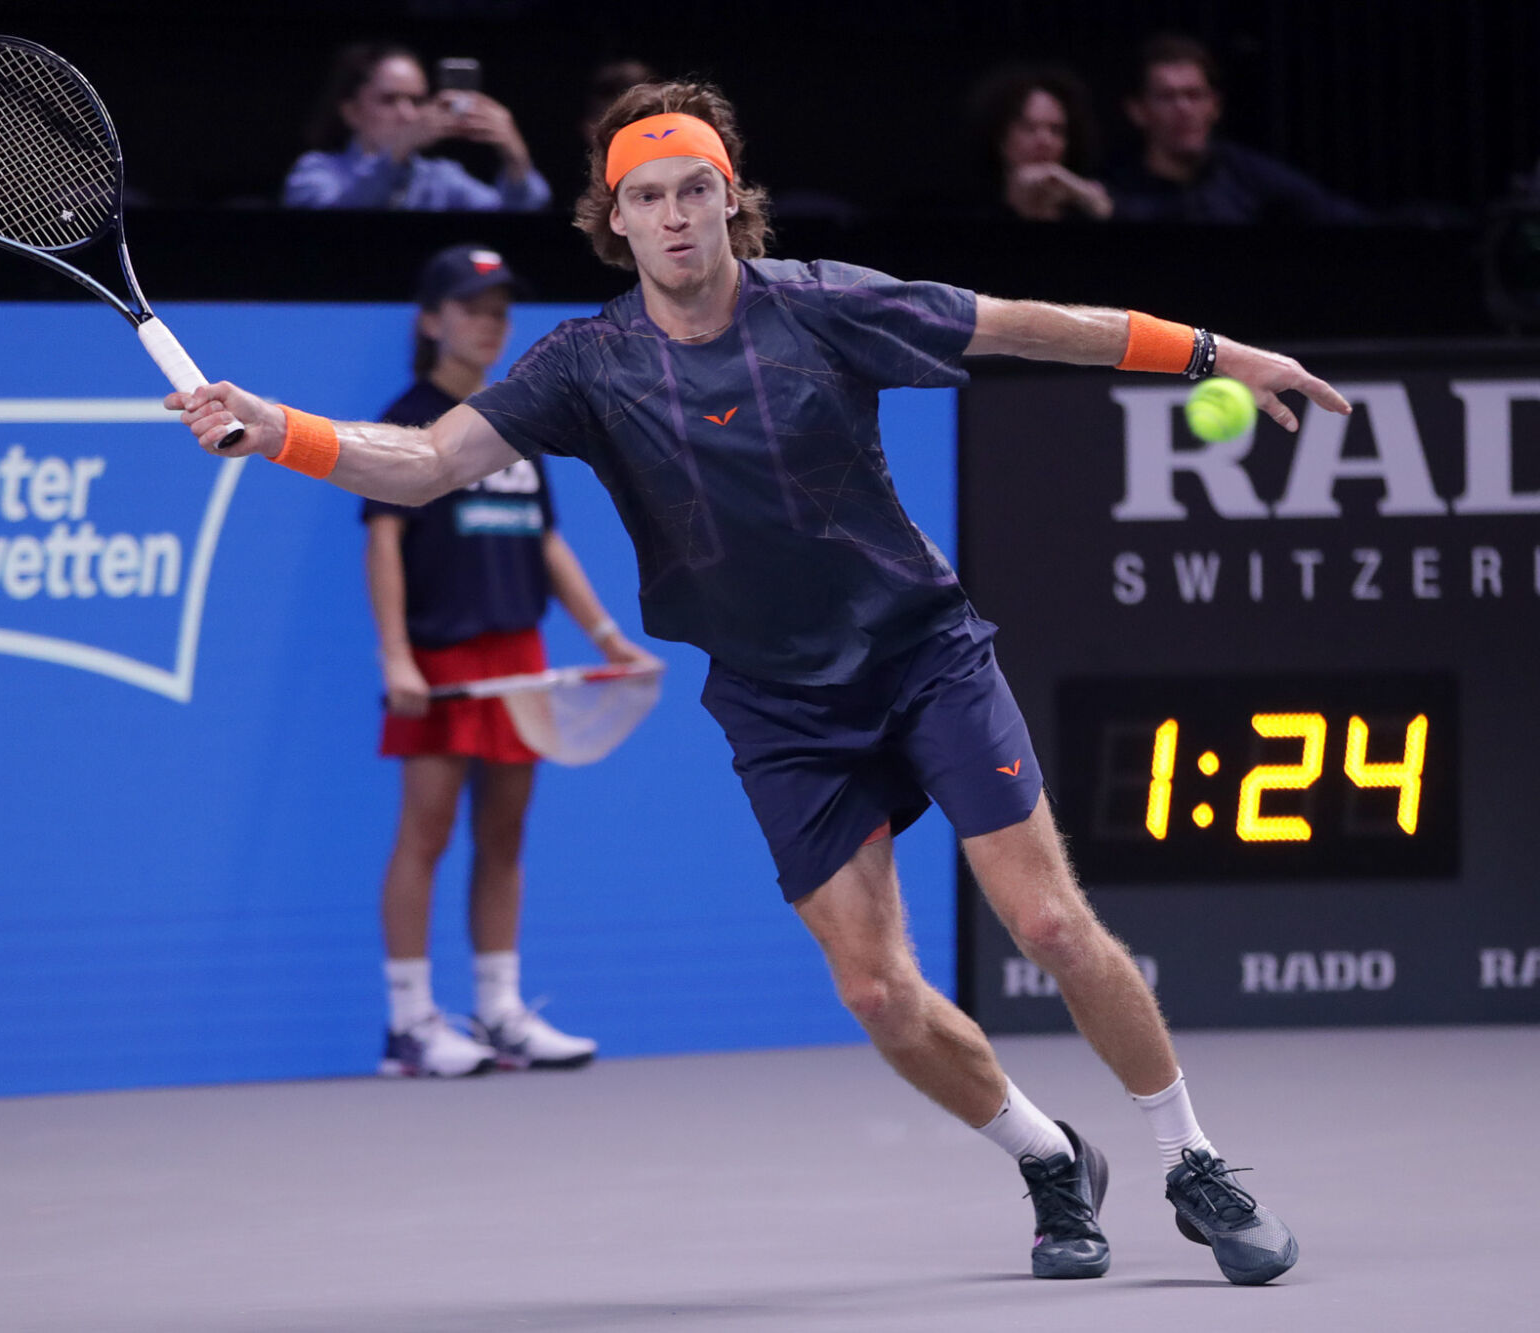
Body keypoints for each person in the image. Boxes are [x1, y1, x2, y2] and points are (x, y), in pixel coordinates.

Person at [171, 79, 1350, 1286]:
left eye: (696, 190)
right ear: (613, 219)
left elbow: (1025, 325)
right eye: (647, 197)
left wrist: (1216, 353)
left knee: (1047, 922)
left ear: (731, 201)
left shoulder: (824, 306)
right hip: (779, 702)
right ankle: (1048, 1155)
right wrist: (277, 430)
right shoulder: (585, 365)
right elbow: (426, 461)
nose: (675, 215)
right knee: (875, 992)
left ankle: (1192, 1160)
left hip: (920, 654)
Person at [364, 244, 653, 1077]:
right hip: (440, 658)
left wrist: (606, 635)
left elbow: (545, 539)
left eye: (499, 310)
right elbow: (383, 540)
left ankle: (498, 1010)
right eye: (471, 308)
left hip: (518, 654)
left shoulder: (510, 421)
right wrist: (397, 657)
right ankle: (410, 1025)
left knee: (505, 832)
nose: (491, 324)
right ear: (432, 321)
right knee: (425, 833)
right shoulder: (405, 420)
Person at [1108, 33, 1367, 224]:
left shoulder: (1247, 174)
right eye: (1167, 97)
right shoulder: (1114, 188)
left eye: (1194, 95)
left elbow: (1343, 217)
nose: (1184, 109)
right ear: (1137, 110)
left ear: (1215, 106)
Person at [283, 44, 551, 212]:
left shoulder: (441, 178)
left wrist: (516, 159)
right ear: (351, 112)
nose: (408, 114)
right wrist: (396, 154)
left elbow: (517, 221)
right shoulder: (316, 171)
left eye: (417, 100)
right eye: (389, 100)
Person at [970, 63, 1112, 221]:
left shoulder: (1086, 212)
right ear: (1001, 139)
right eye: (1028, 128)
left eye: (1056, 130)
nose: (1045, 141)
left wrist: (1096, 205)